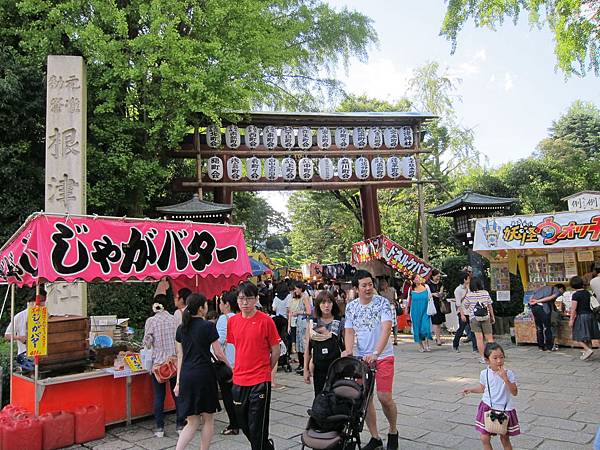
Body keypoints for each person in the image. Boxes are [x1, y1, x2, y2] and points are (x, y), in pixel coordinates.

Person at [342, 270, 398, 450]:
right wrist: (349, 350)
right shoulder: (351, 307)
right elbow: (349, 331)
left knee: (385, 397)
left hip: (383, 356)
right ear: (356, 288)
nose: (368, 288)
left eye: (370, 284)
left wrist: (376, 352)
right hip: (361, 359)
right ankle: (375, 437)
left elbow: (386, 328)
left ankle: (393, 431)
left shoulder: (383, 303)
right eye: (363, 285)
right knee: (365, 399)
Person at [227, 282, 281, 450]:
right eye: (242, 298)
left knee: (258, 426)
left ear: (256, 299)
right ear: (237, 300)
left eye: (249, 298)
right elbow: (236, 347)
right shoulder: (233, 321)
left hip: (260, 380)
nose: (245, 303)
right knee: (243, 422)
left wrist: (267, 369)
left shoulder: (266, 321)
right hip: (239, 379)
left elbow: (276, 349)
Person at [174, 294, 229, 450]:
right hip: (204, 375)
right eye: (206, 305)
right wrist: (230, 368)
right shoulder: (208, 326)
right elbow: (218, 353)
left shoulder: (181, 328)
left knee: (192, 421)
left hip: (186, 375)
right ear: (201, 308)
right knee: (208, 419)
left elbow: (180, 356)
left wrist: (178, 381)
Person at [462, 343, 520, 450]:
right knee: (484, 438)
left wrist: (505, 378)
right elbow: (482, 389)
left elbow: (514, 392)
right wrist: (471, 390)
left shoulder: (509, 373)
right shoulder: (484, 373)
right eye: (495, 358)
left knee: (504, 438)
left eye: (501, 357)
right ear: (487, 360)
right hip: (487, 407)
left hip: (504, 409)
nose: (499, 360)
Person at [143, 294, 185, 437]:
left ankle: (160, 428)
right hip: (174, 362)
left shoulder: (151, 321)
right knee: (177, 395)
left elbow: (147, 343)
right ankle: (180, 426)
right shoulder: (174, 319)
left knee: (159, 396)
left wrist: (150, 340)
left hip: (159, 365)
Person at [303, 290, 343, 396]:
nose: (326, 305)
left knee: (336, 397)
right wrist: (305, 369)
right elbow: (307, 347)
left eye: (329, 302)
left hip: (336, 366)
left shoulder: (340, 321)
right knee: (320, 396)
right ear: (318, 304)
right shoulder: (313, 322)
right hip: (318, 366)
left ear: (333, 304)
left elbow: (345, 346)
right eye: (323, 302)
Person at [216, 292, 240, 435]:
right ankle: (242, 421)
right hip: (240, 360)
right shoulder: (240, 317)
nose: (219, 305)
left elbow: (219, 341)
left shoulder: (223, 319)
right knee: (239, 394)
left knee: (227, 394)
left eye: (221, 302)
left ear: (227, 305)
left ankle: (233, 424)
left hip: (227, 362)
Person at [463, 278, 495, 364]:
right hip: (486, 317)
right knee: (489, 338)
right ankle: (493, 356)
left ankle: (483, 358)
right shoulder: (485, 293)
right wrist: (492, 316)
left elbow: (465, 306)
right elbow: (490, 305)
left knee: (479, 339)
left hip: (474, 318)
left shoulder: (469, 295)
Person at [568, 276, 600, 361]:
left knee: (577, 336)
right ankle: (588, 353)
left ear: (572, 286)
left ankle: (588, 350)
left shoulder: (575, 295)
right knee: (588, 335)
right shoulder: (587, 293)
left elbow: (573, 309)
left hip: (582, 316)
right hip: (591, 316)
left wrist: (571, 320)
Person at [4, 295, 36, 373]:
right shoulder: (19, 316)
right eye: (41, 302)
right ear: (31, 303)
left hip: (41, 353)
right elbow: (7, 335)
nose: (43, 304)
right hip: (24, 353)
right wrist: (19, 338)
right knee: (30, 373)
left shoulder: (45, 315)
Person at [289, 281, 312, 374]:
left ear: (300, 288)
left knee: (303, 343)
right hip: (299, 322)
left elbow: (309, 311)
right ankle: (302, 364)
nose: (295, 291)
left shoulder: (305, 298)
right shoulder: (301, 297)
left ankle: (305, 365)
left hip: (303, 322)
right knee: (299, 343)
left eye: (296, 289)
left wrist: (298, 312)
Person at [528, 282, 559, 351]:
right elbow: (550, 298)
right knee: (547, 327)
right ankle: (549, 346)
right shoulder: (557, 290)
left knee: (539, 328)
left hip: (534, 308)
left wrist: (533, 302)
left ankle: (541, 346)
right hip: (543, 308)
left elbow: (531, 297)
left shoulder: (542, 288)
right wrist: (537, 301)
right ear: (561, 288)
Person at [453, 271, 478, 353]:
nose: (469, 279)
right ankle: (455, 345)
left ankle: (475, 348)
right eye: (468, 278)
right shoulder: (458, 290)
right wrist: (462, 315)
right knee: (461, 329)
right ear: (464, 279)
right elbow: (458, 303)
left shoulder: (471, 287)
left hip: (470, 312)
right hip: (462, 311)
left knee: (473, 330)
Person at [407, 275, 433, 352]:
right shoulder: (411, 289)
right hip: (415, 311)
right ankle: (421, 346)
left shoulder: (426, 287)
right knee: (417, 329)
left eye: (419, 277)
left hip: (425, 310)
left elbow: (430, 297)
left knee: (425, 328)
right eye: (417, 278)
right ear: (413, 280)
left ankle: (427, 345)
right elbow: (409, 300)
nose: (419, 279)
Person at [427, 269, 446, 346]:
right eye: (437, 276)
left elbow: (443, 292)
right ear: (432, 276)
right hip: (433, 304)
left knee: (439, 322)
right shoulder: (428, 284)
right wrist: (433, 294)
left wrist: (442, 293)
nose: (438, 278)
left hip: (440, 304)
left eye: (439, 276)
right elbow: (427, 294)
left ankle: (438, 337)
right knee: (435, 322)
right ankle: (438, 339)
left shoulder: (440, 283)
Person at [378, 278, 399, 346]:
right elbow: (396, 298)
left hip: (387, 308)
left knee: (388, 324)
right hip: (390, 308)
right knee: (393, 324)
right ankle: (394, 339)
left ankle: (392, 339)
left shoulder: (381, 293)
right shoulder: (392, 290)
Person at [550, 284, 566, 351]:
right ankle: (553, 344)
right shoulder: (553, 295)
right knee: (553, 327)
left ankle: (552, 344)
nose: (561, 294)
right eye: (563, 291)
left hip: (550, 313)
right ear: (561, 289)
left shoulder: (551, 294)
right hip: (550, 315)